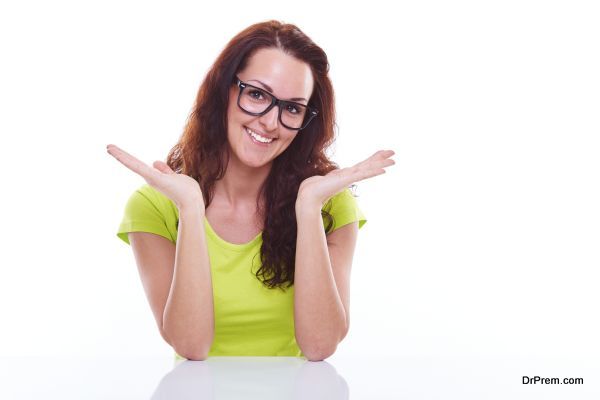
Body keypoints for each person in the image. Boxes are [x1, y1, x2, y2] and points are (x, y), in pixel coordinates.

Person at [107, 20, 395, 362]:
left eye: (292, 108)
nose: (271, 123)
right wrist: (190, 211)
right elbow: (191, 346)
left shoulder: (329, 204)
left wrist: (308, 209)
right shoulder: (155, 206)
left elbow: (319, 346)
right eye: (257, 94)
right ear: (225, 90)